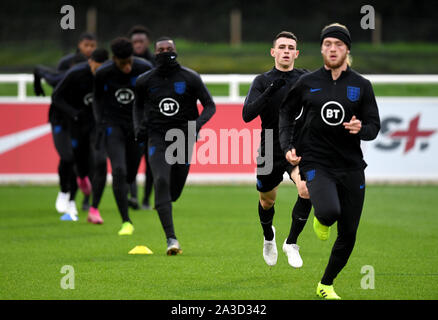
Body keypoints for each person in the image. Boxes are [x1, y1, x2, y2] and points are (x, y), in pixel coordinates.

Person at [279, 23, 381, 299]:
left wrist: (362, 129)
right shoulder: (308, 82)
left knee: (349, 233)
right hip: (316, 162)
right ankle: (321, 219)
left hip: (351, 166)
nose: (332, 49)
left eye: (338, 44)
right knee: (328, 212)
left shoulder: (361, 86)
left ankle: (326, 284)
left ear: (347, 49)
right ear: (321, 49)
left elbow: (374, 125)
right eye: (327, 44)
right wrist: (287, 146)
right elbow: (286, 113)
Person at [134, 37, 216, 255]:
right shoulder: (144, 81)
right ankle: (171, 239)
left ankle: (163, 203)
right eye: (161, 49)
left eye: (169, 49)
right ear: (154, 53)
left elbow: (210, 106)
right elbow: (137, 106)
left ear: (176, 51)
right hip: (157, 137)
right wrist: (138, 127)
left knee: (174, 191)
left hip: (183, 138)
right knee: (160, 179)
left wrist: (196, 125)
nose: (165, 52)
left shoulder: (190, 78)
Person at [242, 31, 312, 268]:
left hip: (297, 147)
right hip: (269, 146)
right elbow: (247, 115)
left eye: (291, 47)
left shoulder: (306, 78)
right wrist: (269, 91)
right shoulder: (261, 81)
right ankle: (268, 237)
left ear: (296, 53)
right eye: (281, 47)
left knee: (306, 189)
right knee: (266, 202)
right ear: (273, 52)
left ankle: (291, 243)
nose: (286, 51)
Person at [93, 37, 153, 235]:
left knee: (130, 173)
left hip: (137, 126)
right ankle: (126, 221)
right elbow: (97, 101)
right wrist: (100, 124)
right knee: (118, 170)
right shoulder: (103, 73)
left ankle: (126, 191)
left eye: (130, 61)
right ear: (114, 59)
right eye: (122, 63)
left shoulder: (144, 67)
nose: (127, 66)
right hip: (113, 127)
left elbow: (153, 96)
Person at [34, 32, 98, 216]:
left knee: (81, 161)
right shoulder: (64, 74)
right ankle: (64, 191)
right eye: (87, 45)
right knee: (68, 157)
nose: (90, 49)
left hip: (80, 122)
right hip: (61, 120)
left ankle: (72, 200)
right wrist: (37, 84)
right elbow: (40, 70)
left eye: (93, 45)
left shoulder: (95, 73)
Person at [52, 48, 109, 224]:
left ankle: (89, 205)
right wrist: (73, 113)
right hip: (75, 124)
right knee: (75, 159)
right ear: (90, 61)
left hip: (95, 124)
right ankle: (81, 179)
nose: (97, 72)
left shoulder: (106, 74)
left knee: (98, 159)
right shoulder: (75, 74)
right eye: (95, 67)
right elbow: (56, 97)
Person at [128, 25, 155, 210]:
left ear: (147, 43)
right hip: (132, 119)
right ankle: (133, 196)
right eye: (135, 42)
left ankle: (146, 198)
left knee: (151, 163)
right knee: (132, 159)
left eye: (141, 41)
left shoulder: (154, 63)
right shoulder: (125, 64)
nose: (138, 45)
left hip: (152, 120)